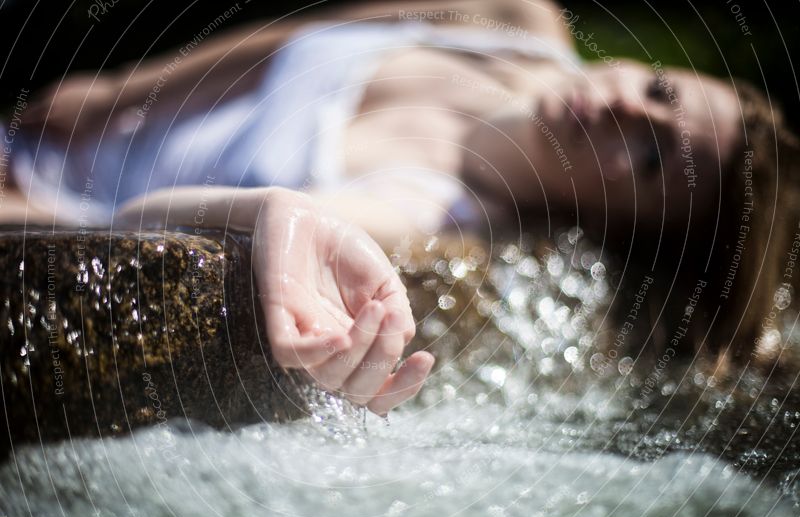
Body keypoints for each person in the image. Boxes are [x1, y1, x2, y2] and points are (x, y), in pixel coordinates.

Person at [2, 0, 797, 408]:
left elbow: (131, 235)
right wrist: (114, 94)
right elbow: (306, 35)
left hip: (34, 209)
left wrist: (273, 209)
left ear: (630, 224)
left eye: (654, 157)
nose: (629, 108)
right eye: (660, 89)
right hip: (53, 122)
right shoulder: (513, 18)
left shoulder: (444, 219)